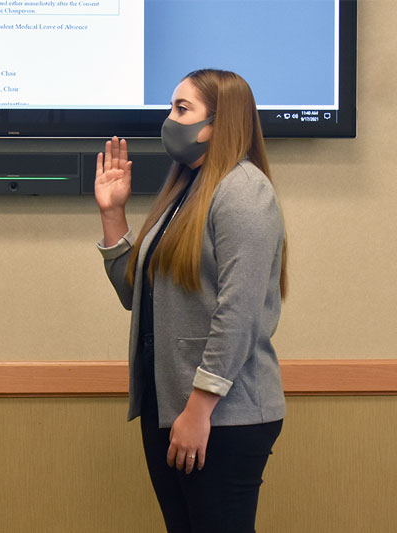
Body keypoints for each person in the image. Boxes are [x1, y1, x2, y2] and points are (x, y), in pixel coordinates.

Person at [94, 69, 287, 532]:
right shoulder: (187, 191)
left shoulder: (244, 191)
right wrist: (113, 213)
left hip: (222, 416)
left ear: (220, 123)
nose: (169, 120)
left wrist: (199, 408)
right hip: (171, 407)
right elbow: (136, 295)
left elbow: (238, 314)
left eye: (182, 109)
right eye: (172, 107)